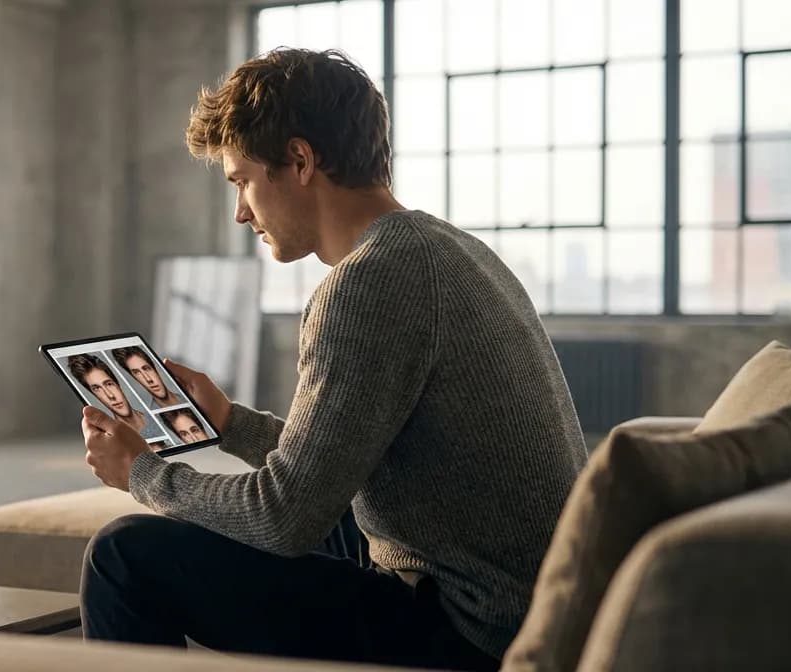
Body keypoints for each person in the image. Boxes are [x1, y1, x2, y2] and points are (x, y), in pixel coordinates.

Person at [77, 48, 587, 671]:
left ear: (299, 160)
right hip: (526, 606)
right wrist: (231, 422)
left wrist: (142, 474)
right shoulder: (446, 248)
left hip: (468, 632)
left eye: (241, 180)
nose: (240, 211)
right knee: (335, 524)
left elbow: (284, 517)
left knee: (125, 556)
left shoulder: (367, 284)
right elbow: (331, 471)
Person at [66, 354, 163, 441]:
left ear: (118, 384)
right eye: (97, 389)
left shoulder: (160, 418)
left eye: (109, 384)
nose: (110, 395)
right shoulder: (113, 441)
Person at [111, 346, 185, 408]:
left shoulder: (188, 397)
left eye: (146, 368)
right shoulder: (152, 420)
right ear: (134, 378)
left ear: (154, 369)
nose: (148, 379)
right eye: (137, 373)